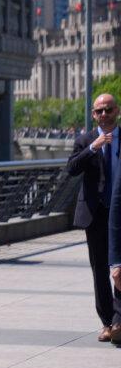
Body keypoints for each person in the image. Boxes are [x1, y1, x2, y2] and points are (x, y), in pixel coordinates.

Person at [72, 94, 121, 342]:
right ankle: (107, 322)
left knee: (120, 267)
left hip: (120, 211)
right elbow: (71, 168)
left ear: (117, 111)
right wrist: (94, 147)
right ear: (93, 115)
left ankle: (118, 319)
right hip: (96, 214)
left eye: (108, 109)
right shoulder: (85, 140)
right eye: (99, 111)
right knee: (100, 268)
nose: (104, 114)